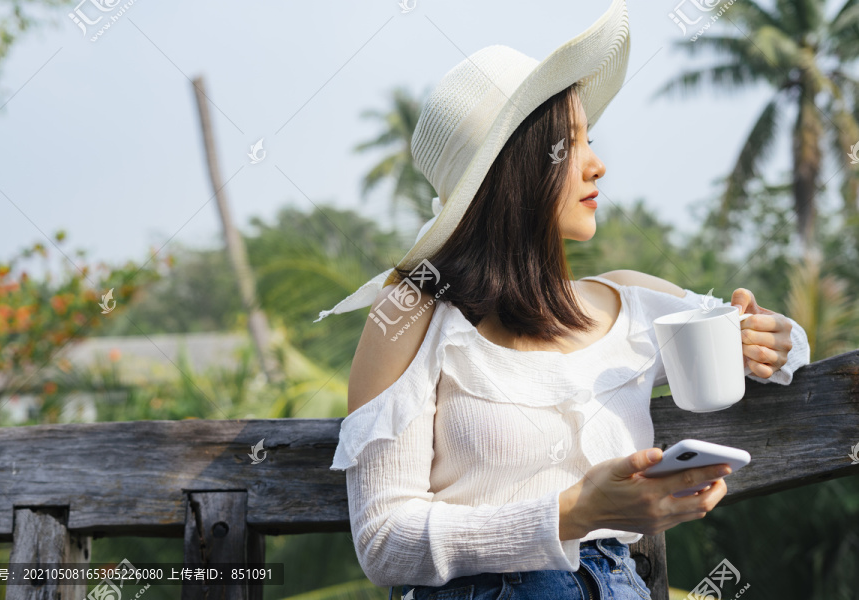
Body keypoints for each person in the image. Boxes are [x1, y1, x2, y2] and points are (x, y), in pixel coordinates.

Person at [315, 1, 811, 598]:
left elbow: (777, 342)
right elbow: (383, 543)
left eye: (590, 139)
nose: (598, 165)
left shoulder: (630, 301)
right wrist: (571, 513)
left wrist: (771, 339)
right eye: (571, 145)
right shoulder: (412, 316)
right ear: (515, 168)